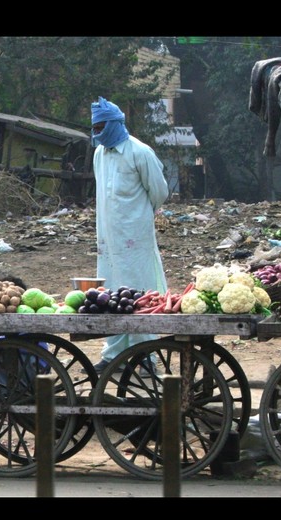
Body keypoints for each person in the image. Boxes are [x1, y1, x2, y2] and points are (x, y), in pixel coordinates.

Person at [90, 96, 170, 373]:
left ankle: (145, 354)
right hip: (107, 237)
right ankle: (113, 354)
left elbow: (159, 192)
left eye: (101, 127)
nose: (97, 133)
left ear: (114, 124)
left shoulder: (140, 152)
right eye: (94, 128)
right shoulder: (99, 153)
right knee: (110, 294)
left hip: (135, 237)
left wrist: (138, 216)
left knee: (140, 292)